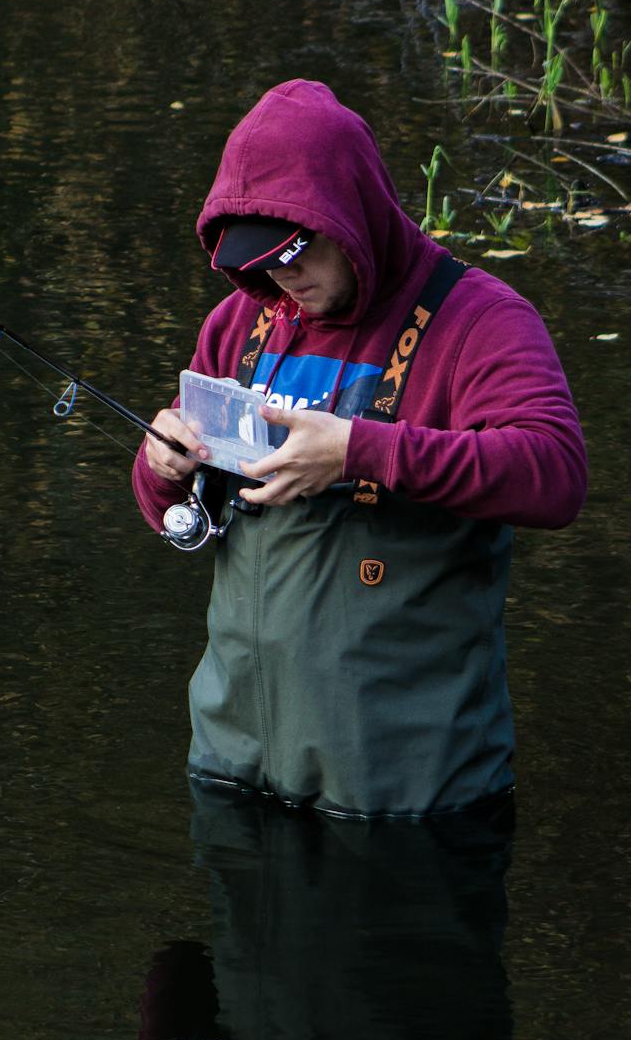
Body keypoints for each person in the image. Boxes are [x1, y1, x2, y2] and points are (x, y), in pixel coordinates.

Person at [133, 79, 586, 818]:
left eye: (297, 252)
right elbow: (166, 510)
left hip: (407, 800)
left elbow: (556, 473)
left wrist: (359, 451)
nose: (282, 278)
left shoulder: (482, 322)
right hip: (235, 773)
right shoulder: (236, 324)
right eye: (260, 261)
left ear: (355, 214)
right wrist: (162, 467)